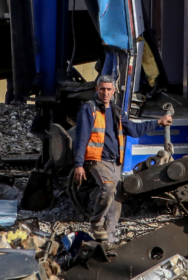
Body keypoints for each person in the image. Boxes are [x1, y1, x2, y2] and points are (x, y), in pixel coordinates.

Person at [72, 75, 173, 242]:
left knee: (116, 203)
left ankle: (107, 240)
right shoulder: (89, 109)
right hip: (97, 160)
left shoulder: (117, 112)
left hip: (115, 163)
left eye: (108, 89)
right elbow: (81, 138)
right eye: (102, 89)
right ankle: (96, 222)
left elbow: (134, 130)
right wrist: (79, 165)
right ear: (96, 90)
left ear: (113, 91)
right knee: (108, 187)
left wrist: (158, 122)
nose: (105, 92)